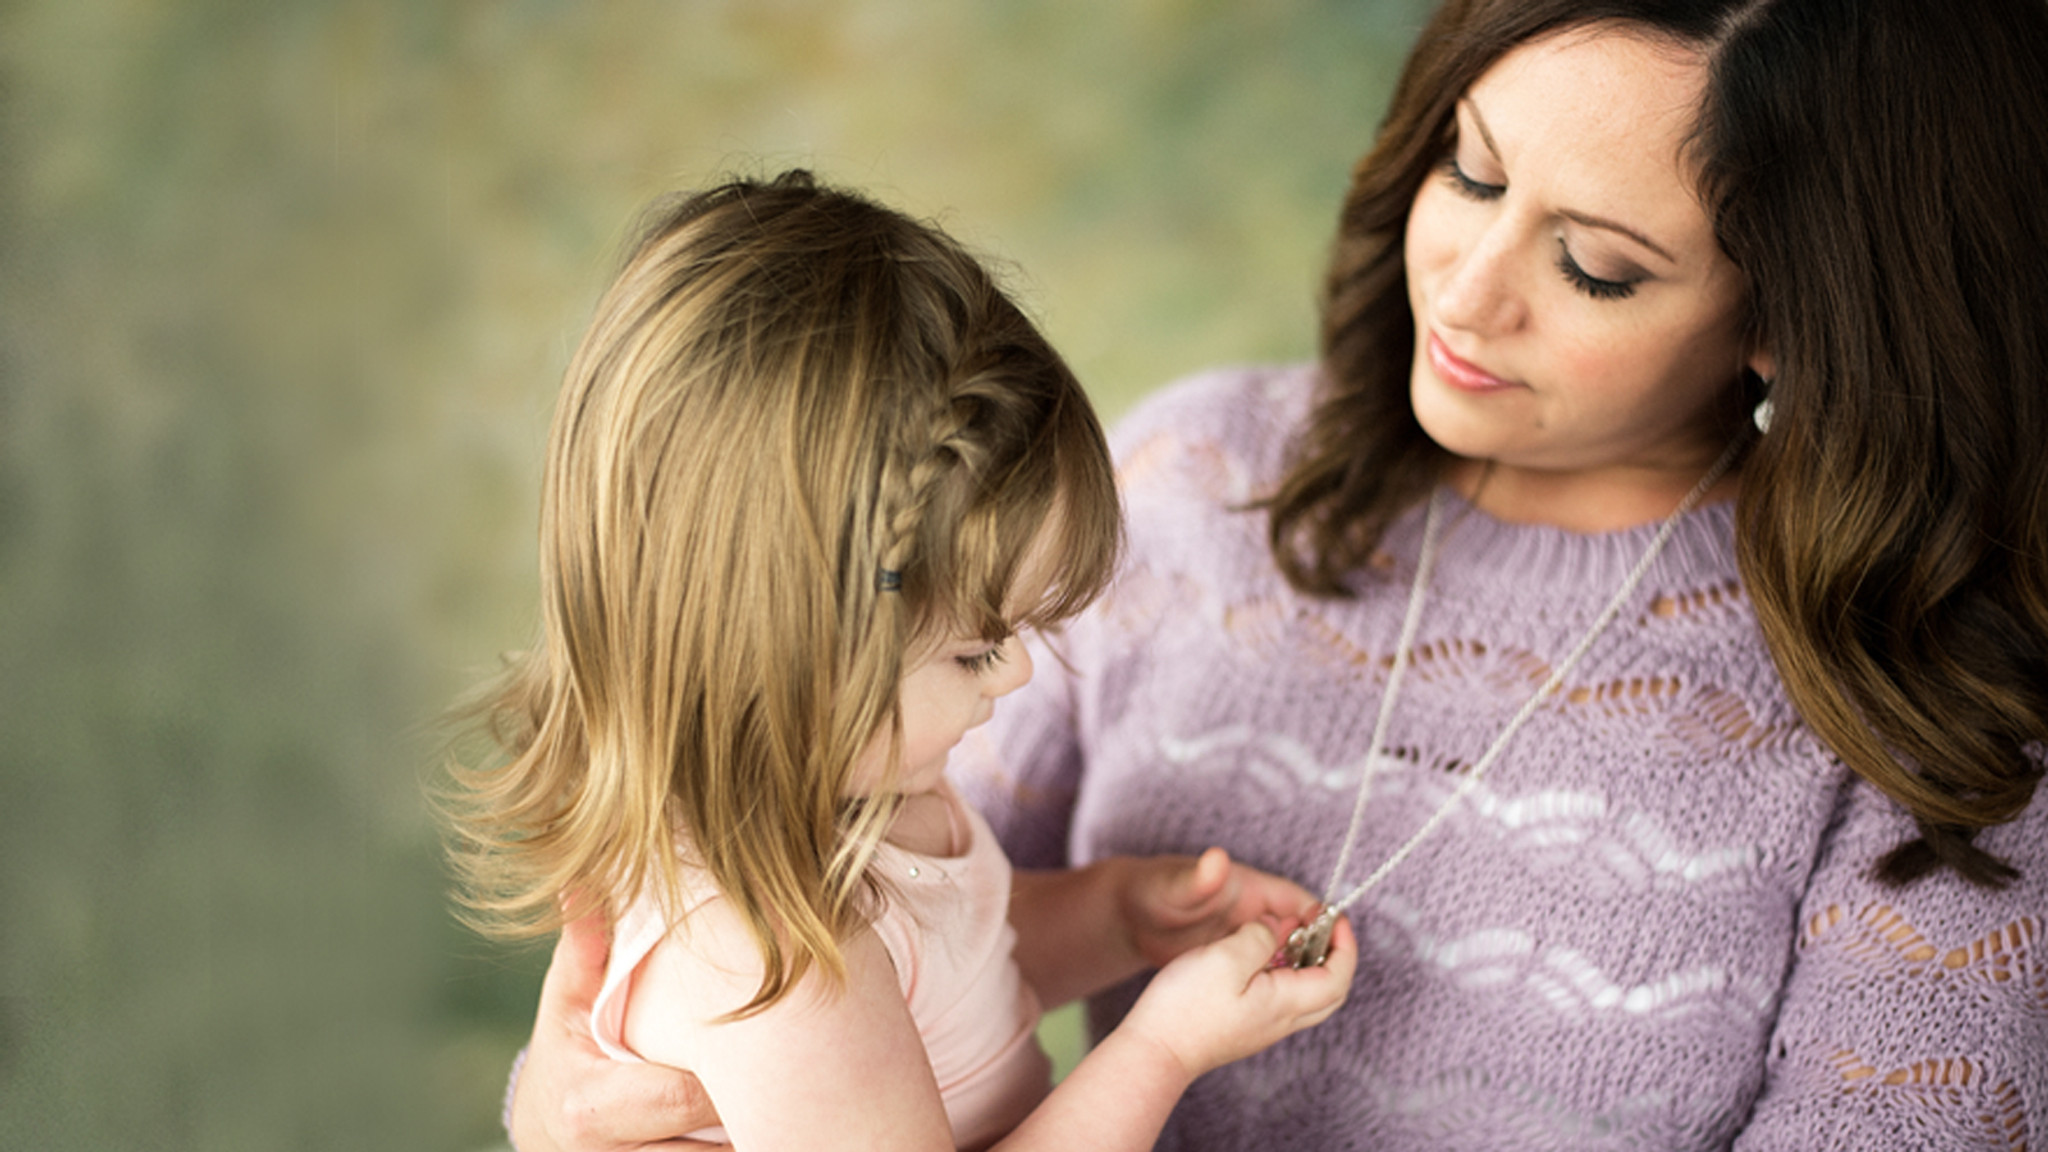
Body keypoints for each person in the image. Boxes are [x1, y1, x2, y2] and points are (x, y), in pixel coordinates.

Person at [504, 0, 2048, 1147]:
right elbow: (827, 864)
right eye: (1470, 172)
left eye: (1595, 265)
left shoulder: (1930, 701)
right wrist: (571, 1091)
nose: (1467, 291)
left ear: (1793, 315)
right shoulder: (1184, 485)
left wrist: (1125, 934)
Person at [446, 170, 1355, 1152]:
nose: (1014, 675)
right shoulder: (775, 964)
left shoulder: (866, 801)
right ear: (787, 654)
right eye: (975, 651)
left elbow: (962, 981)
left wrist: (1118, 920)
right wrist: (1161, 1049)